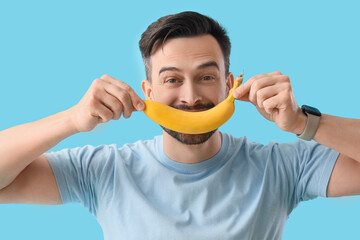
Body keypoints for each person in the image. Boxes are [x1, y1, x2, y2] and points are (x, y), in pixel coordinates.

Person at [0, 11, 359, 239]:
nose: (190, 96)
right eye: (172, 80)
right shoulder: (105, 169)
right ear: (148, 91)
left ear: (229, 84)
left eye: (206, 76)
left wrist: (304, 122)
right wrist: (71, 120)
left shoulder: (282, 167)